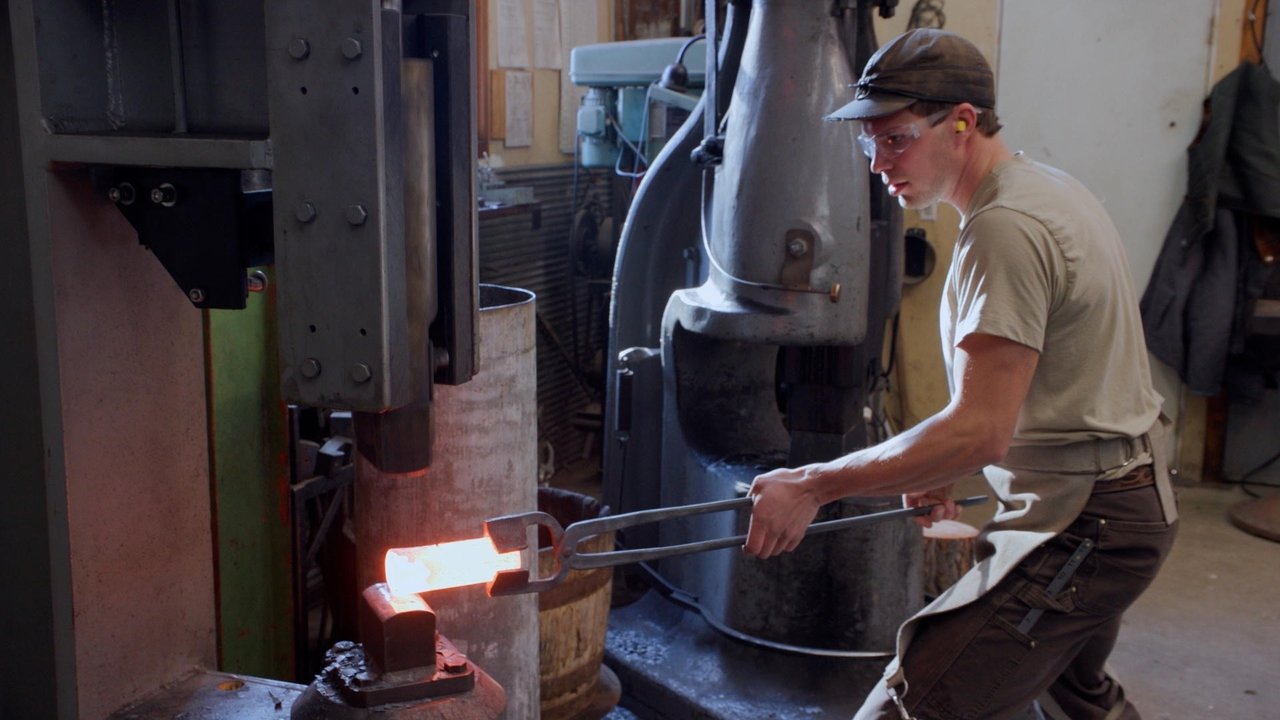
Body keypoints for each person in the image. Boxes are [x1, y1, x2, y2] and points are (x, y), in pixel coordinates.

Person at [743, 29, 1180, 720]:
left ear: (963, 123)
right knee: (1077, 701)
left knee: (912, 707)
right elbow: (1018, 402)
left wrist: (813, 485)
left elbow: (980, 431)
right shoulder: (1042, 188)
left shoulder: (1007, 227)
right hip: (1117, 500)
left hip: (1085, 524)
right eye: (870, 144)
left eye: (897, 139)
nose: (879, 164)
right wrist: (940, 461)